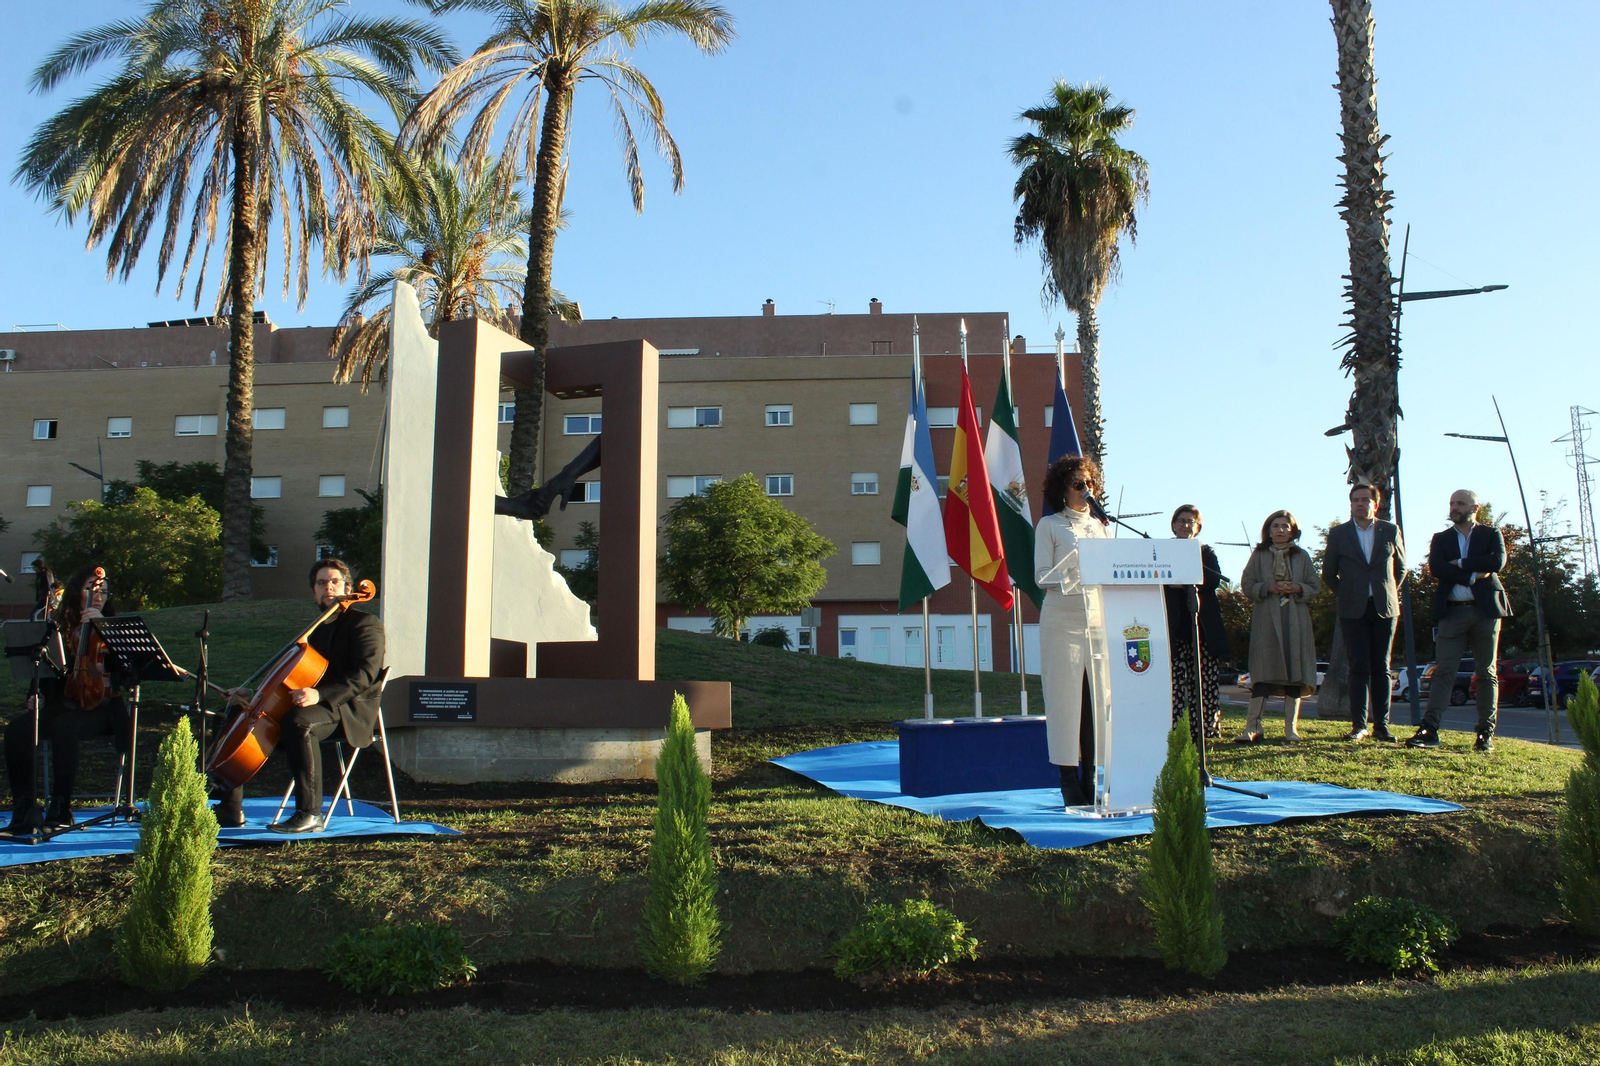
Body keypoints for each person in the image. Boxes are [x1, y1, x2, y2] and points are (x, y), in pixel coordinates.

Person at [213, 558, 385, 833]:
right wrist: (254, 694)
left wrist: (320, 695)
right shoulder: (314, 629)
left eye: (334, 582)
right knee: (234, 713)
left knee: (298, 721)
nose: (327, 587)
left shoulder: (365, 623)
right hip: (307, 704)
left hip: (346, 709)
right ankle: (229, 808)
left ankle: (310, 813)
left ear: (348, 587)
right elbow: (291, 679)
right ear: (313, 591)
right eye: (321, 583)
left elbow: (364, 675)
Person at [4, 566, 132, 834]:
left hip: (103, 708)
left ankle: (61, 806)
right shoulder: (59, 627)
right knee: (17, 729)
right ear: (76, 592)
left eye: (103, 591)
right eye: (90, 589)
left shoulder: (117, 627)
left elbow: (129, 673)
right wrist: (35, 696)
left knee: (65, 726)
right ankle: (25, 806)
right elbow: (43, 671)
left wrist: (104, 629)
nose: (98, 595)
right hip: (64, 704)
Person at [1407, 490, 1511, 751]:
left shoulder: (1491, 534)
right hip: (1452, 612)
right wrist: (1475, 574)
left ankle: (1485, 734)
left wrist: (1461, 563)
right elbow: (1437, 568)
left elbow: (1497, 561)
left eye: (1460, 503)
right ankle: (1430, 730)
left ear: (1475, 508)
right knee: (1443, 671)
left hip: (1485, 612)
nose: (1454, 507)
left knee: (1486, 672)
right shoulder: (1441, 538)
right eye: (1451, 503)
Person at [1034, 454, 1111, 806]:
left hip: (1097, 620)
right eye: (1078, 484)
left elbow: (1112, 575)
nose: (1086, 490)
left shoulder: (1101, 528)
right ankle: (1069, 779)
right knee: (1066, 702)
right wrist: (1073, 571)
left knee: (1097, 702)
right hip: (1061, 621)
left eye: (1089, 484)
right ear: (1063, 489)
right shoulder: (1050, 525)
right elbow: (1041, 577)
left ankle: (1095, 777)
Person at [1322, 483, 1406, 742]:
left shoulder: (1390, 530)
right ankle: (1359, 725)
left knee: (1381, 667)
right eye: (1355, 500)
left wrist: (1386, 591)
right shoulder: (1339, 534)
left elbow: (1401, 569)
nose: (1360, 504)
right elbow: (1328, 573)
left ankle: (1382, 725)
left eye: (1365, 499)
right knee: (1358, 667)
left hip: (1384, 608)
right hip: (1352, 610)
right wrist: (1348, 594)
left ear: (1375, 504)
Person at [1237, 511, 1322, 743]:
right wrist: (1268, 588)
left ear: (1293, 530)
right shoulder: (1259, 554)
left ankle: (1290, 729)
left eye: (1285, 526)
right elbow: (1247, 584)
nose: (1280, 530)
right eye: (1276, 526)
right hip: (1266, 618)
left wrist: (1297, 588)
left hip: (1295, 619)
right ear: (1268, 529)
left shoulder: (1302, 556)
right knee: (1263, 672)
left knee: (1295, 672)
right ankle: (1252, 727)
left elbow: (1315, 586)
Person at [1165, 505, 1230, 741]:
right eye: (1180, 521)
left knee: (1204, 682)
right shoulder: (1162, 550)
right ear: (1173, 525)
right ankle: (1175, 728)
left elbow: (1213, 579)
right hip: (1173, 627)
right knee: (1175, 683)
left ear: (1197, 527)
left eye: (1190, 522)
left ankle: (1206, 729)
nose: (1185, 525)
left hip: (1202, 629)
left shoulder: (1206, 552)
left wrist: (1182, 583)